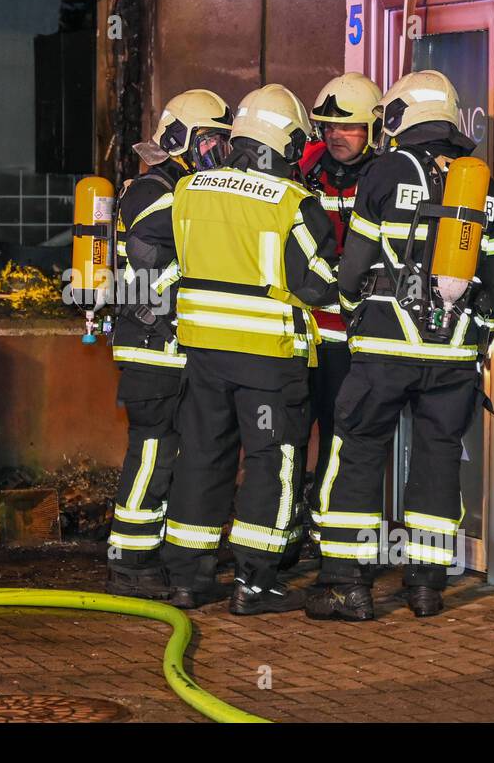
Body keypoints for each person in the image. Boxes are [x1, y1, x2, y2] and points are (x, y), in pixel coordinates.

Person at [305, 69, 494, 621]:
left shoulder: (385, 171)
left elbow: (353, 270)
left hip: (386, 349)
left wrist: (352, 313)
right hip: (453, 357)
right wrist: (472, 339)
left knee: (359, 452)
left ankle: (346, 584)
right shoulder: (484, 186)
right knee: (439, 457)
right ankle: (425, 586)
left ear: (398, 118)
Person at [161, 84, 340, 615]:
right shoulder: (293, 203)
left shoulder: (189, 189)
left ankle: (188, 580)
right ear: (286, 144)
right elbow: (320, 284)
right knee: (272, 460)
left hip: (203, 353)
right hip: (268, 355)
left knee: (202, 454)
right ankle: (255, 583)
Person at [105, 90, 233, 599]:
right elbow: (176, 244)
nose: (216, 155)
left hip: (174, 348)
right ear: (178, 137)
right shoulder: (154, 191)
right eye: (208, 143)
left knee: (171, 454)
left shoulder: (181, 188)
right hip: (152, 350)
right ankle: (129, 560)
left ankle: (152, 553)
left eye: (223, 144)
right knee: (152, 452)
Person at [294, 73, 382, 566]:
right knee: (287, 435)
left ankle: (329, 538)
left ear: (373, 130)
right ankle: (284, 534)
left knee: (338, 437)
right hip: (304, 333)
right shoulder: (304, 170)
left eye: (347, 128)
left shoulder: (385, 177)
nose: (335, 136)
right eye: (328, 126)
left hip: (353, 338)